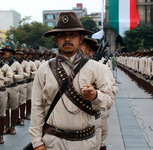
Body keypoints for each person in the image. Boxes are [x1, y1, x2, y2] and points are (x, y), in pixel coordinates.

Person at [29, 11, 114, 150]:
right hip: (53, 142)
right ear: (56, 40)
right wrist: (37, 141)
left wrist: (95, 96)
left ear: (81, 39)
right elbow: (37, 107)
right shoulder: (44, 69)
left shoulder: (96, 68)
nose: (67, 38)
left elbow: (109, 100)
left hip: (85, 142)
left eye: (72, 34)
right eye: (62, 35)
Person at [1, 45, 23, 135]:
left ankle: (13, 126)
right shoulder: (0, 64)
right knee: (5, 108)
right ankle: (6, 126)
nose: (5, 54)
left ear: (11, 53)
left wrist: (15, 77)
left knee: (14, 107)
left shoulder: (16, 64)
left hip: (13, 86)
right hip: (4, 87)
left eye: (7, 52)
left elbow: (22, 76)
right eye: (4, 52)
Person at [14, 47, 30, 125]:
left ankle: (22, 117)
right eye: (16, 54)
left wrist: (20, 75)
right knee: (15, 103)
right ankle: (16, 118)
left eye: (19, 54)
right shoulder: (12, 63)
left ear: (22, 55)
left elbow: (28, 73)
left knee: (22, 101)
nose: (17, 55)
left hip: (22, 83)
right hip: (14, 85)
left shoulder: (25, 63)